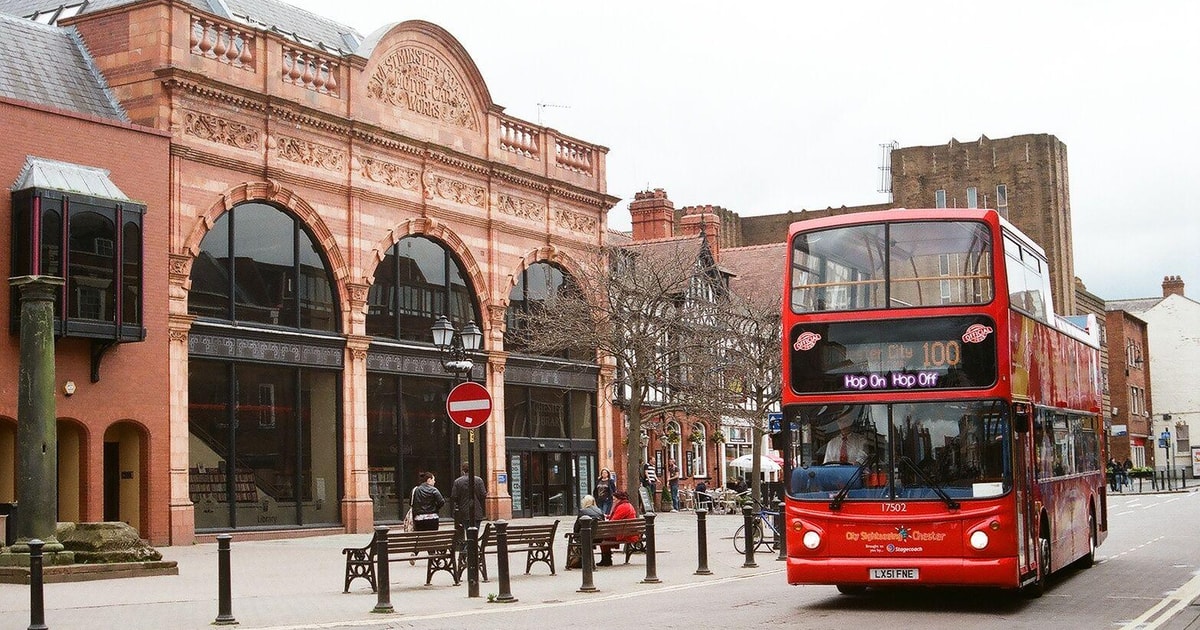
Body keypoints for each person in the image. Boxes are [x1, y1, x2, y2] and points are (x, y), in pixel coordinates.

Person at [451, 462, 486, 550]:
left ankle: (468, 550)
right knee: (475, 532)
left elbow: (454, 496)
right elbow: (483, 495)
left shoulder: (458, 481)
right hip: (477, 511)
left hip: (464, 512)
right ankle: (472, 549)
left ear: (463, 471)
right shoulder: (479, 480)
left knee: (468, 531)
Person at [603, 489, 640, 566]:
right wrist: (608, 516)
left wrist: (608, 519)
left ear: (619, 499)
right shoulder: (627, 505)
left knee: (602, 538)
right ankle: (606, 559)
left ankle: (606, 559)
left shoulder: (622, 507)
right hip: (627, 532)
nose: (613, 501)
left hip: (626, 535)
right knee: (603, 537)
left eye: (614, 499)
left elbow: (613, 521)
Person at [570, 494, 607, 569]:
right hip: (598, 538)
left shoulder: (582, 512)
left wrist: (575, 536)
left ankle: (575, 562)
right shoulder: (600, 511)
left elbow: (576, 528)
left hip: (586, 538)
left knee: (578, 541)